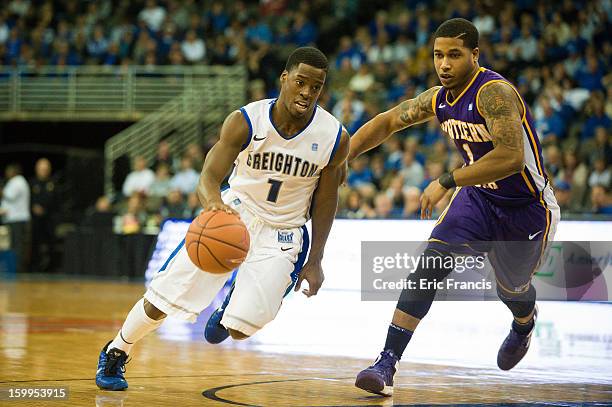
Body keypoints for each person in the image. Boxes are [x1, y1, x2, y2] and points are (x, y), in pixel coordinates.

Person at [96, 47, 349, 391]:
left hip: (284, 230)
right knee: (161, 301)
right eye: (301, 82)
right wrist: (213, 203)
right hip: (234, 213)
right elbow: (209, 177)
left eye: (316, 87)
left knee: (240, 329)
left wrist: (316, 258)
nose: (307, 92)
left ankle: (232, 302)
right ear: (284, 79)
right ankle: (116, 350)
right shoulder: (245, 120)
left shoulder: (334, 137)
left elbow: (326, 201)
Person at [350, 18, 560, 396]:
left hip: (526, 206)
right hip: (479, 197)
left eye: (454, 55)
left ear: (474, 55)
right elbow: (386, 122)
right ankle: (386, 363)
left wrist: (447, 180)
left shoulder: (493, 93)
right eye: (437, 55)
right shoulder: (437, 99)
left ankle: (524, 324)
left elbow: (511, 157)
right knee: (430, 263)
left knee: (512, 290)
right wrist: (342, 159)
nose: (444, 64)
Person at [0, 164, 31, 274]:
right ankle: (13, 267)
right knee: (14, 245)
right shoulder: (16, 182)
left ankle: (18, 269)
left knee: (17, 245)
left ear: (13, 171)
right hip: (14, 219)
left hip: (17, 219)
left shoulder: (18, 181)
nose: (6, 173)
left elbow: (8, 195)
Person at [30, 158, 58, 272]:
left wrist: (47, 210)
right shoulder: (32, 183)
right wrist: (33, 207)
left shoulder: (53, 184)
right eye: (42, 168)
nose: (44, 171)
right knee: (35, 243)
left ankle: (51, 267)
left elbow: (57, 202)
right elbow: (28, 200)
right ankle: (34, 266)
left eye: (46, 169)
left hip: (49, 219)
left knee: (51, 242)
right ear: (37, 169)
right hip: (35, 219)